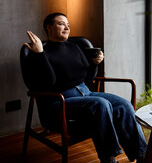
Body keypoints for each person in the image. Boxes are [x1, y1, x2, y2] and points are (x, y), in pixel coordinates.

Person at [24, 12, 147, 163]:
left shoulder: (74, 47)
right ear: (48, 28)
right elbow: (50, 82)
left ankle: (142, 155)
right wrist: (40, 55)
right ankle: (108, 158)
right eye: (61, 24)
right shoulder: (39, 52)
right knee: (101, 104)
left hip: (85, 92)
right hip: (59, 101)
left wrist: (95, 63)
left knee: (124, 105)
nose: (67, 27)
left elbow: (88, 78)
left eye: (68, 25)